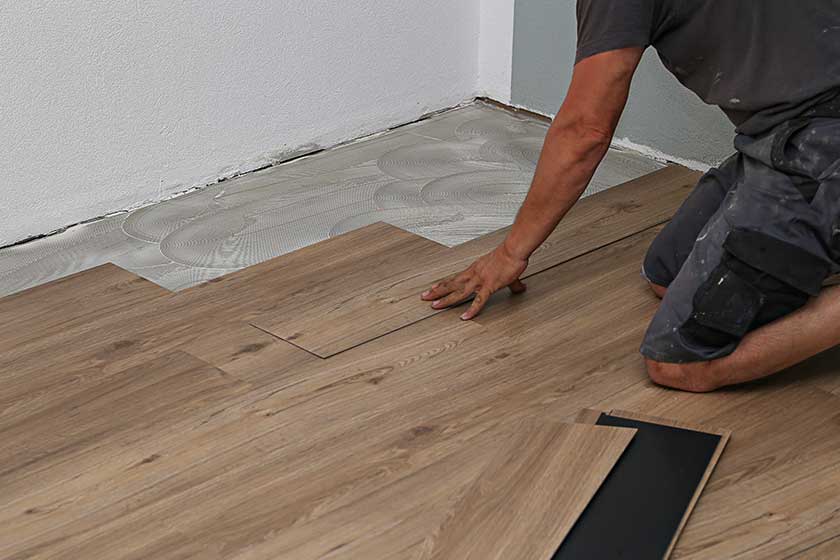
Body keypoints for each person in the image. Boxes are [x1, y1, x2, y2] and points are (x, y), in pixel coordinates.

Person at [421, 1, 840, 392]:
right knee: (666, 273)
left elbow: (585, 131)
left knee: (680, 361)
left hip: (821, 141)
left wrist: (511, 252)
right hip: (783, 134)